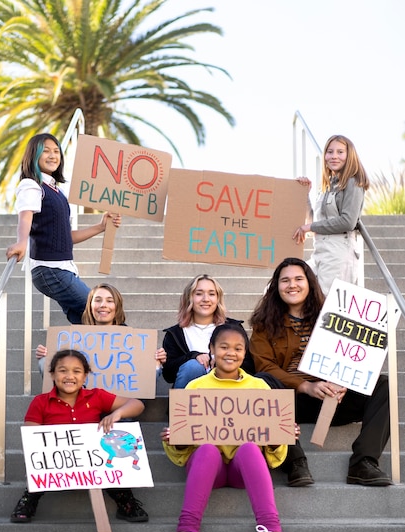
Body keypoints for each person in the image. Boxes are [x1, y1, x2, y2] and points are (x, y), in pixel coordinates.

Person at [249, 257, 392, 487]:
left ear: (310, 282)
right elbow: (264, 366)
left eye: (298, 279)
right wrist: (306, 386)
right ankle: (294, 462)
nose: (292, 285)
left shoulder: (336, 313)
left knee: (383, 384)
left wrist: (346, 379)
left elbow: (357, 353)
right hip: (290, 402)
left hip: (334, 397)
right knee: (261, 382)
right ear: (276, 287)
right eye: (285, 280)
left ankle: (363, 463)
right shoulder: (264, 324)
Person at [162, 273, 313, 487]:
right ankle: (183, 427)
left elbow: (250, 365)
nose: (206, 299)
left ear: (218, 298)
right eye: (199, 293)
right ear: (189, 298)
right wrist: (194, 356)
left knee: (265, 380)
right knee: (193, 367)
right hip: (199, 401)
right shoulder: (175, 333)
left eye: (211, 294)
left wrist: (224, 362)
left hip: (232, 399)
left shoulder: (233, 327)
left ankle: (290, 451)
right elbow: (169, 373)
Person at [161, 323, 291, 532]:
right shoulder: (195, 387)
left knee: (250, 448)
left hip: (245, 469)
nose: (231, 353)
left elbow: (274, 454)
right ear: (211, 349)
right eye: (223, 347)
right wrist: (175, 440)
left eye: (238, 348)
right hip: (211, 469)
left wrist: (278, 436)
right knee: (208, 448)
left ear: (245, 353)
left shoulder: (260, 387)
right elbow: (182, 451)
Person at [10, 349, 149, 523]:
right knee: (38, 466)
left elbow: (137, 404)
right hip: (56, 463)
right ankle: (28, 500)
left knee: (112, 464)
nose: (69, 376)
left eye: (76, 371)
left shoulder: (96, 396)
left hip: (93, 464)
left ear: (85, 376)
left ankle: (125, 501)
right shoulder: (40, 402)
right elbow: (31, 438)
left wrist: (117, 414)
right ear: (52, 375)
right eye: (62, 371)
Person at [5, 133, 121, 324]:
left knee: (85, 322)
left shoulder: (57, 191)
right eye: (46, 151)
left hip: (63, 269)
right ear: (33, 155)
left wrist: (101, 226)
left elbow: (66, 236)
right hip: (50, 269)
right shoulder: (31, 185)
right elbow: (26, 216)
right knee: (101, 311)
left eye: (56, 151)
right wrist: (21, 242)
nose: (52, 156)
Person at [293, 135, 369, 295]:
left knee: (325, 306)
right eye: (330, 152)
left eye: (340, 152)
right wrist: (304, 195)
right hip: (320, 251)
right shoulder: (328, 186)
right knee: (284, 287)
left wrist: (309, 227)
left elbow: (348, 221)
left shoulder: (353, 182)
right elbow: (315, 224)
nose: (334, 156)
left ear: (350, 156)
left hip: (339, 253)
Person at [36, 283, 166, 376]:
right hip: (84, 400)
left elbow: (145, 377)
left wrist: (156, 361)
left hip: (119, 402)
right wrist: (49, 356)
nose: (103, 305)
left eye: (110, 301)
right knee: (44, 362)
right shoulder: (75, 337)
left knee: (154, 368)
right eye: (98, 300)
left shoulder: (133, 339)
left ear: (117, 307)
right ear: (90, 306)